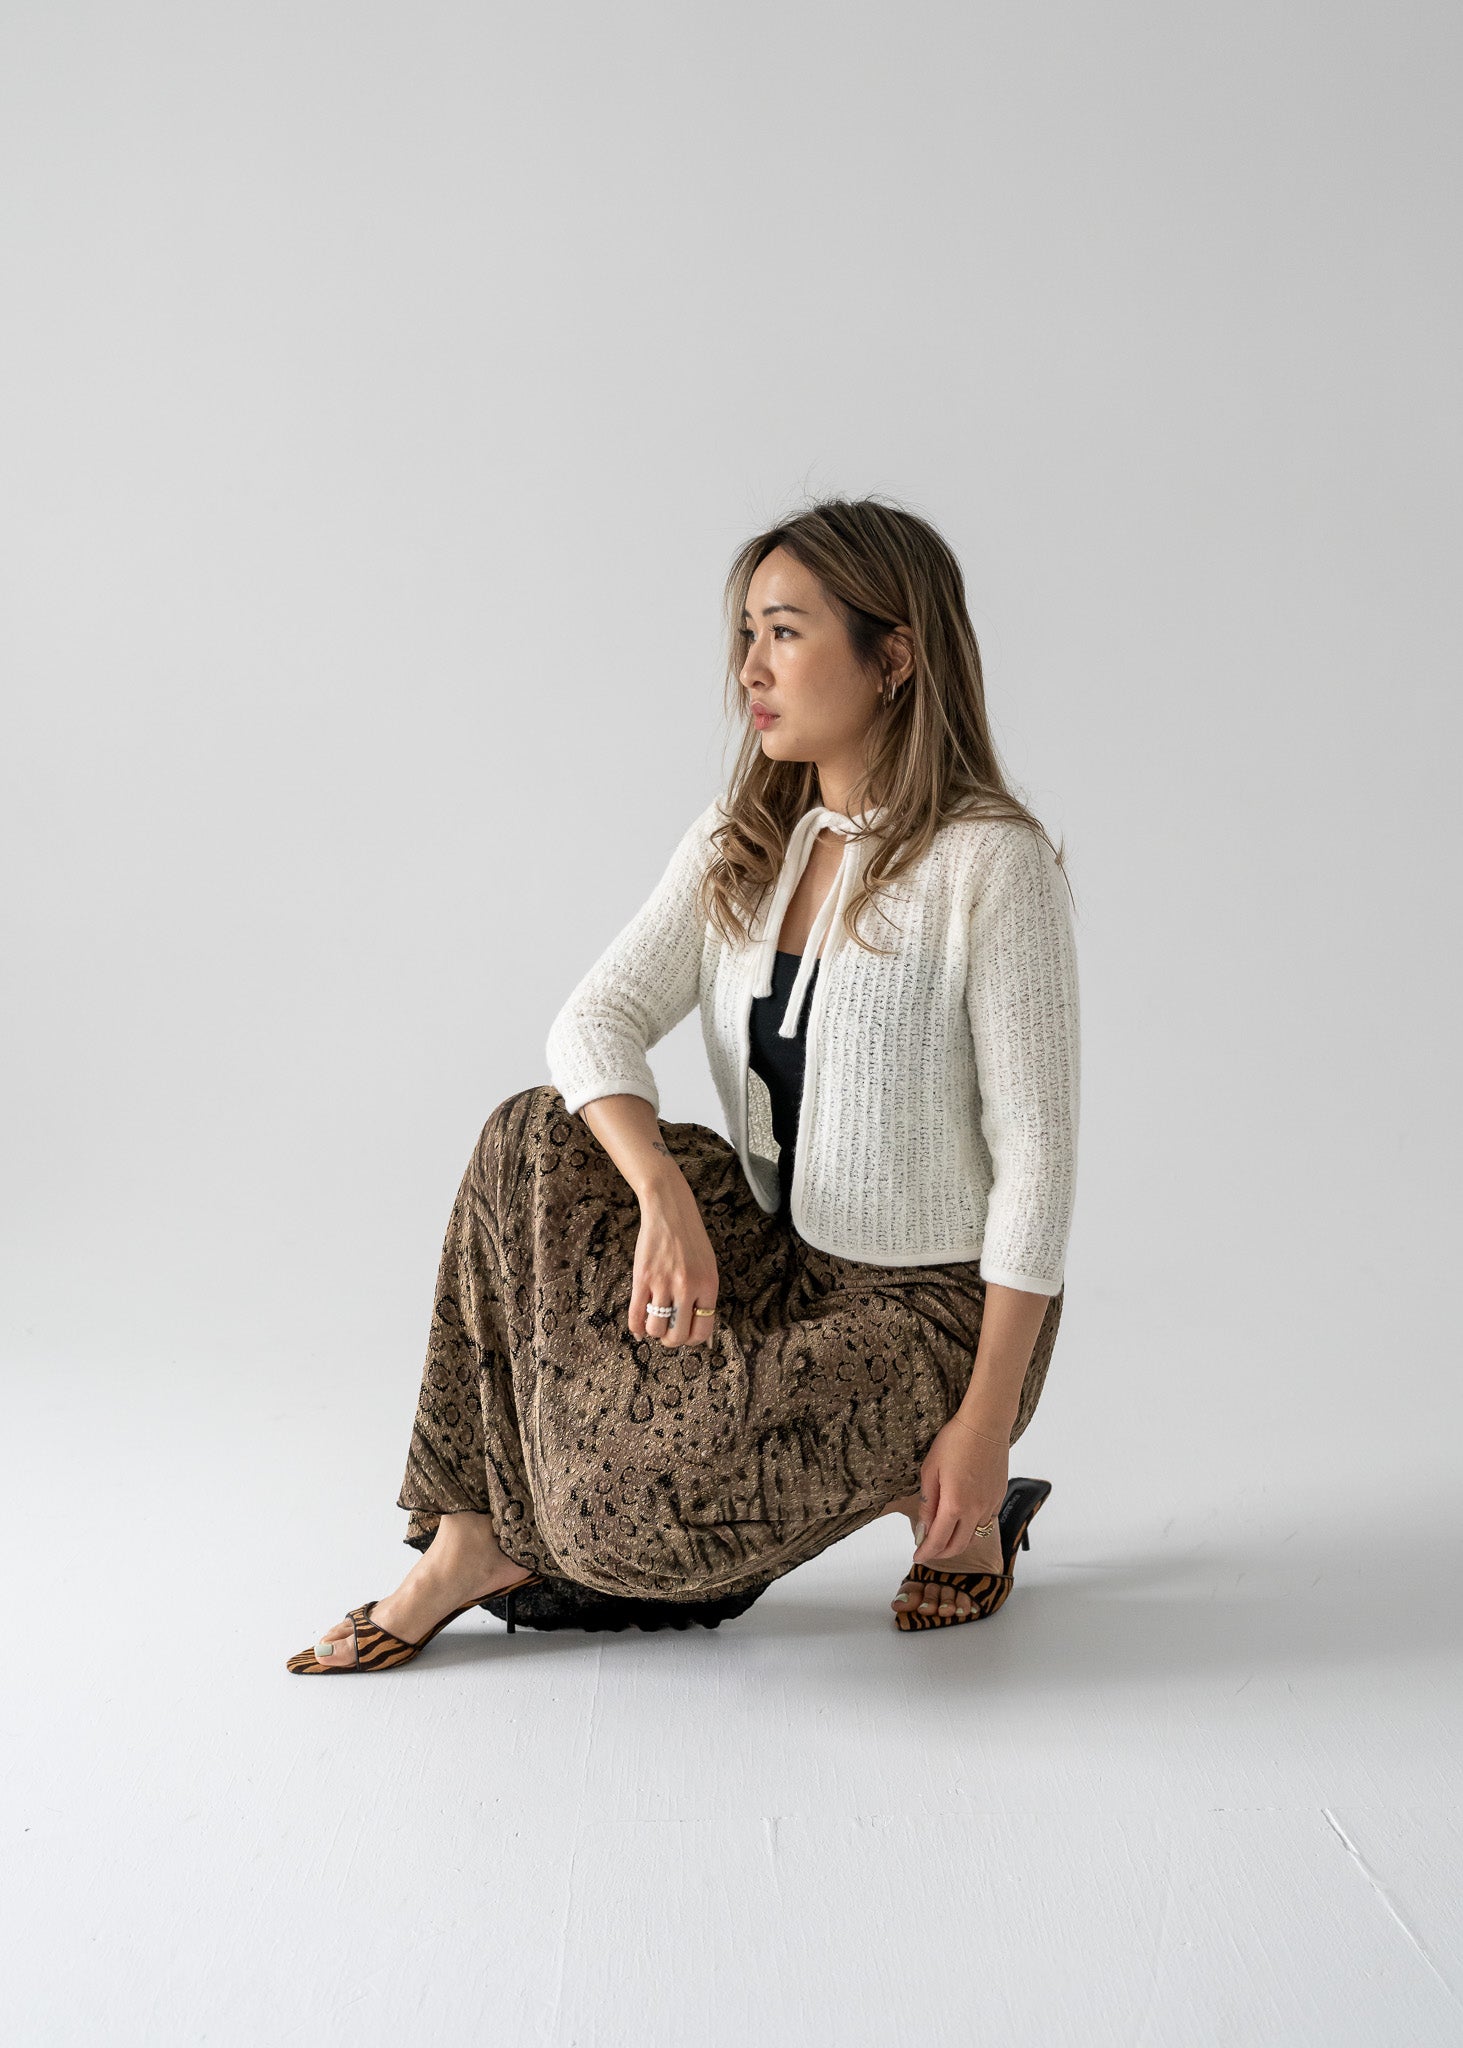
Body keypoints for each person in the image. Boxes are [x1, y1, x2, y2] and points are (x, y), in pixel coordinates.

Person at [287, 494, 1080, 1673]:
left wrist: (983, 1420)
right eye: (746, 633)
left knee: (615, 1513)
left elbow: (1037, 1165)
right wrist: (660, 1190)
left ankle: (948, 1498)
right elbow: (590, 1021)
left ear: (894, 657)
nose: (748, 666)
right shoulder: (740, 840)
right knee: (530, 1136)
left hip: (926, 1309)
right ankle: (468, 1538)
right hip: (776, 1246)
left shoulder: (989, 864)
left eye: (784, 632)